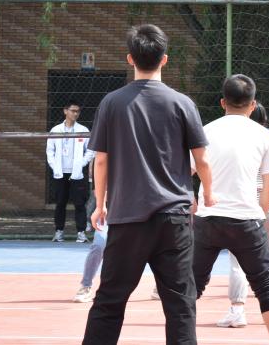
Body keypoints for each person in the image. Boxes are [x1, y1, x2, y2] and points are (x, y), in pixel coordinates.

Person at [83, 24, 214, 345]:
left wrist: (100, 204)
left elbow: (101, 161)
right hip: (174, 219)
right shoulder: (182, 103)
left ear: (130, 58)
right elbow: (202, 160)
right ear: (165, 59)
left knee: (110, 300)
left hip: (127, 218)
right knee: (180, 304)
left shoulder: (112, 103)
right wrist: (208, 193)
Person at [192, 76, 269, 344]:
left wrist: (194, 203)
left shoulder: (205, 131)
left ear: (222, 102)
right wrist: (259, 216)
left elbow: (182, 173)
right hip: (247, 220)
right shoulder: (264, 135)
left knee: (190, 288)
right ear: (253, 104)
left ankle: (180, 339)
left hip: (208, 219)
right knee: (267, 287)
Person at [212, 99, 269, 330]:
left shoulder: (236, 142)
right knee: (268, 261)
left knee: (237, 262)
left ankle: (237, 310)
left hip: (246, 207)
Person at [47, 101, 92, 242]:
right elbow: (50, 151)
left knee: (79, 204)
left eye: (78, 111)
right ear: (65, 111)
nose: (75, 113)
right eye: (73, 111)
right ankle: (59, 231)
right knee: (60, 203)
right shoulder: (56, 130)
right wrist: (55, 167)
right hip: (60, 173)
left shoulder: (83, 130)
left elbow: (90, 151)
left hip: (76, 173)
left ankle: (81, 233)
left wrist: (81, 164)